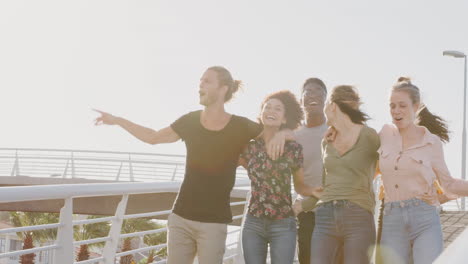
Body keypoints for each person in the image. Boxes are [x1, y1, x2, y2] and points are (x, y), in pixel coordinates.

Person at [94, 66, 289, 264]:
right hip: (181, 218)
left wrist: (283, 134)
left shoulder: (241, 126)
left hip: (214, 223)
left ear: (223, 89)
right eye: (200, 81)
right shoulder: (190, 121)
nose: (200, 85)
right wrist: (117, 120)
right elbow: (153, 137)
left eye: (207, 81)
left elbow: (272, 135)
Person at [377, 77, 468, 264]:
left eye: (402, 105)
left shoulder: (431, 141)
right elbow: (363, 157)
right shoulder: (384, 134)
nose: (396, 111)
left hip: (424, 219)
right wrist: (334, 132)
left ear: (416, 106)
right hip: (392, 219)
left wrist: (438, 196)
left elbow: (448, 184)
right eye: (392, 106)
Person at [239, 90, 322, 264]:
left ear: (284, 119)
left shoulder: (293, 148)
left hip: (283, 223)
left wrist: (314, 191)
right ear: (261, 113)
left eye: (278, 109)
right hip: (253, 223)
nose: (271, 111)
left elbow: (300, 186)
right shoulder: (250, 147)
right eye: (267, 107)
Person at [311, 85, 379, 264]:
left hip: (358, 214)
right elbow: (326, 184)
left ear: (332, 106)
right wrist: (303, 204)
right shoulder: (327, 141)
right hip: (325, 215)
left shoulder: (369, 136)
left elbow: (392, 162)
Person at [292, 78, 328, 264]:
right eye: (308, 91)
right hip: (306, 212)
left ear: (326, 99)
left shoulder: (334, 130)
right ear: (301, 100)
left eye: (318, 91)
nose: (313, 95)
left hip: (332, 209)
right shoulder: (293, 134)